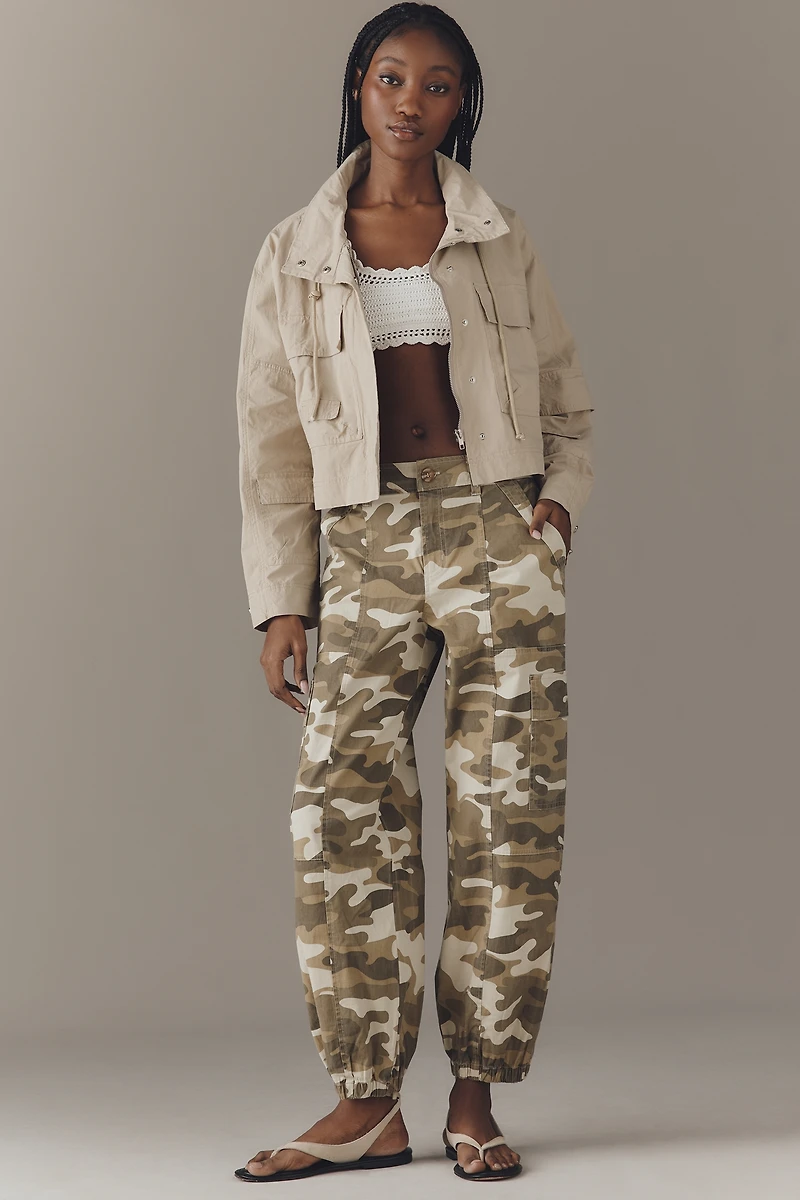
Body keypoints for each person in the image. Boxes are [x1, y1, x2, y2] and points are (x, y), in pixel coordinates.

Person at [233, 2, 594, 1184]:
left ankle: (473, 1098)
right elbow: (270, 444)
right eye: (390, 77)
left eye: (436, 85)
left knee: (507, 814)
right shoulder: (294, 250)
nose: (409, 102)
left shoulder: (495, 235)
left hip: (494, 530)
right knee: (339, 808)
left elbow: (565, 401)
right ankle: (366, 1103)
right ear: (357, 87)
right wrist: (282, 602)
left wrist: (553, 511)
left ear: (459, 106)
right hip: (367, 538)